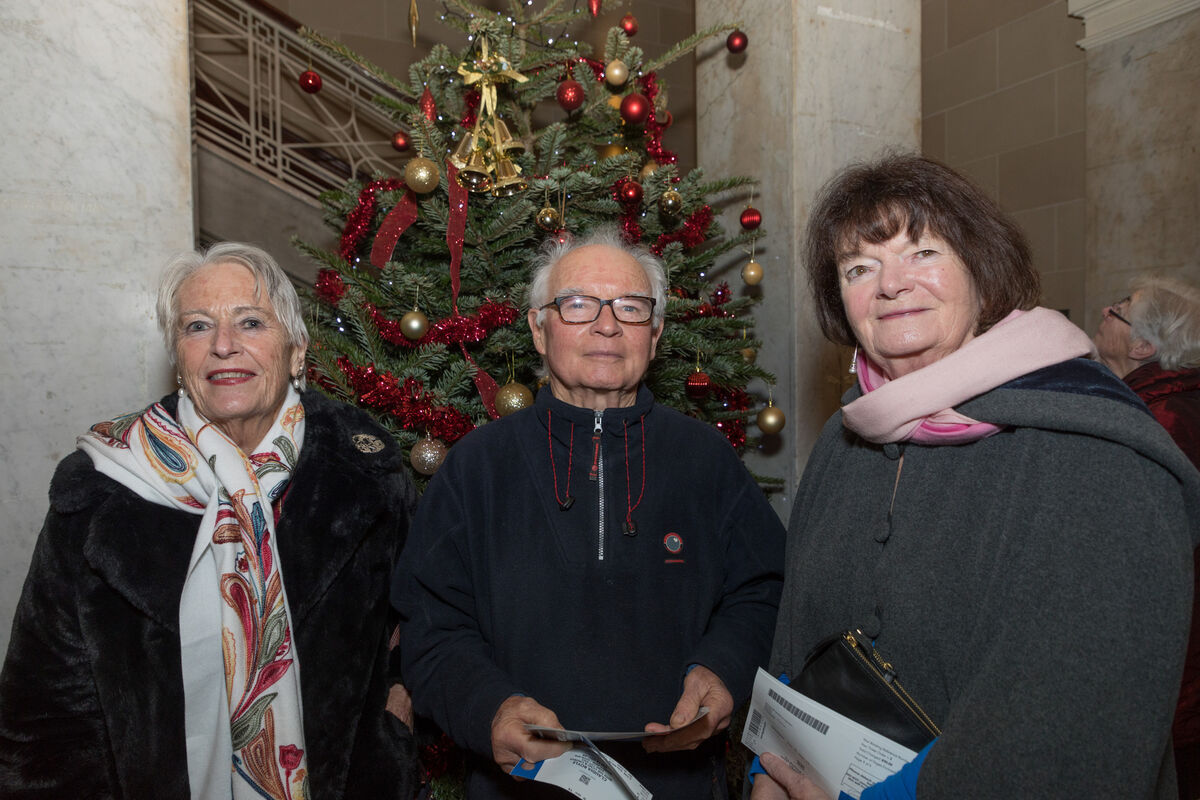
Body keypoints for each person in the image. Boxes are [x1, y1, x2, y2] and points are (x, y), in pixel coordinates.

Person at [753, 154, 1200, 800]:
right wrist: (771, 766)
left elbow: (1071, 739)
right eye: (859, 268)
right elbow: (796, 639)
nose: (891, 284)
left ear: (985, 277)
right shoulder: (842, 441)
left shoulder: (1099, 454)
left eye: (923, 252)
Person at [0, 243, 418, 799]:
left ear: (296, 351)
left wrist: (397, 723)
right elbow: (43, 706)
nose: (224, 345)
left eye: (251, 322)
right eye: (198, 326)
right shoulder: (100, 487)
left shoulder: (366, 471)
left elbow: (419, 624)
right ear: (179, 357)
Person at [392, 227, 786, 798]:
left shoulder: (706, 459)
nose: (607, 325)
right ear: (538, 329)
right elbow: (430, 626)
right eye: (577, 304)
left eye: (631, 307)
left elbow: (764, 591)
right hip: (519, 789)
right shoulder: (476, 467)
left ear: (655, 335)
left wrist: (722, 669)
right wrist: (490, 708)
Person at [1094, 275, 1200, 799]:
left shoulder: (1162, 420)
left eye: (1120, 308)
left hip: (1163, 654)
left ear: (1142, 346)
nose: (1105, 311)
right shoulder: (1164, 404)